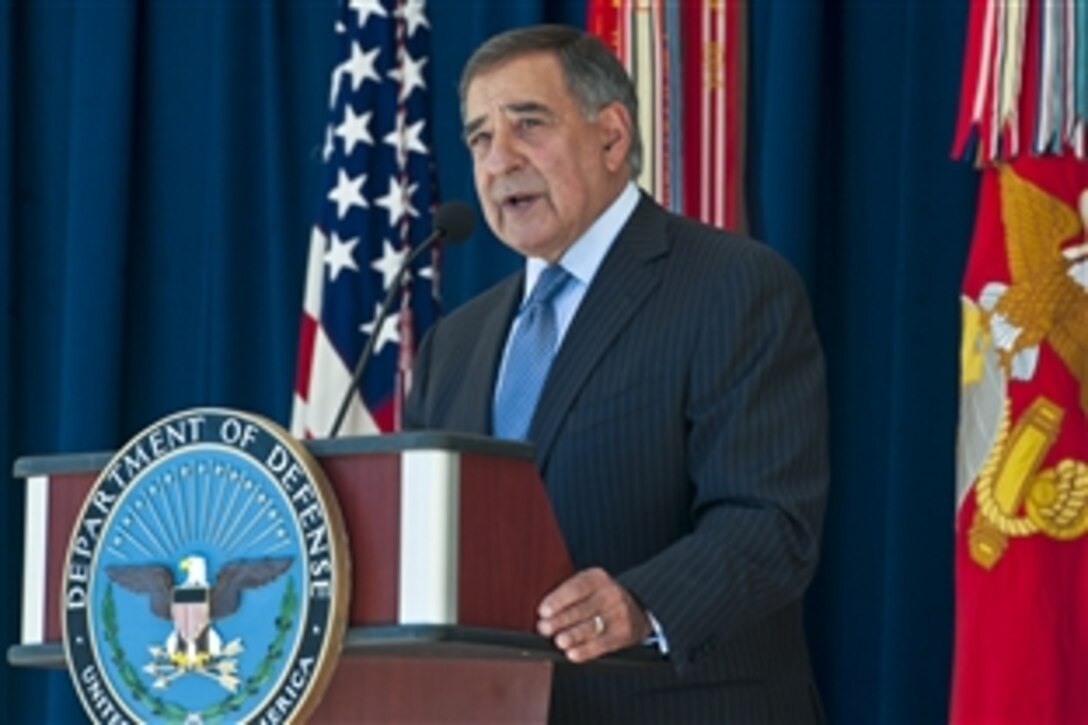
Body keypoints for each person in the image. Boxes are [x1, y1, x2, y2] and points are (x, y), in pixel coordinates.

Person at [404, 24, 829, 723]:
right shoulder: (456, 342)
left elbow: (770, 520)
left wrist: (641, 602)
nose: (497, 160)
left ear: (611, 136)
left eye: (527, 125)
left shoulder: (732, 286)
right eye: (479, 138)